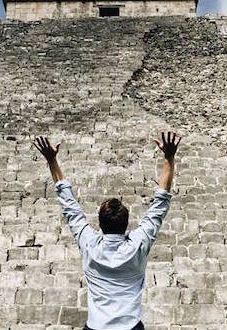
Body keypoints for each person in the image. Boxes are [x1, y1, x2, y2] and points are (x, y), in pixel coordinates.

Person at [33, 131, 181, 330]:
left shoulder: (89, 243)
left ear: (100, 225)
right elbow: (160, 204)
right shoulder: (138, 244)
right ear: (126, 224)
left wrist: (52, 160)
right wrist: (169, 158)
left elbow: (70, 206)